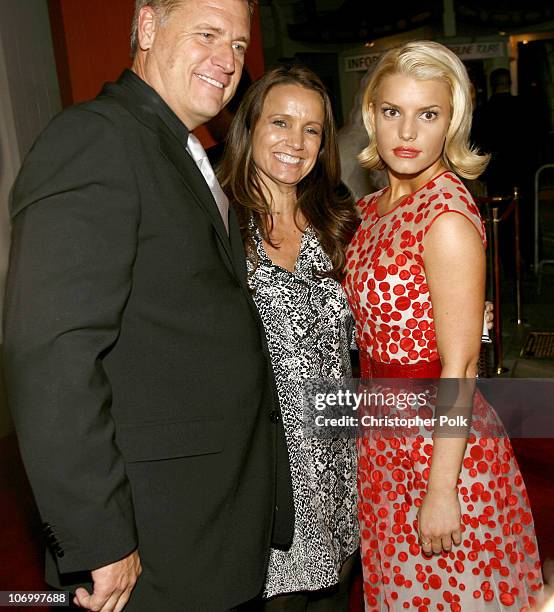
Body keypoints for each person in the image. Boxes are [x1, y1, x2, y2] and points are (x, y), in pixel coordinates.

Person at [2, 1, 294, 610]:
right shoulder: (95, 138)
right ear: (146, 26)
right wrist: (98, 538)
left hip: (204, 521)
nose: (227, 60)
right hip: (151, 537)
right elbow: (52, 355)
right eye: (208, 34)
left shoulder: (179, 148)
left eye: (239, 46)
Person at [342, 41, 543, 610]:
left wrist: (440, 489)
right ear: (370, 117)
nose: (407, 131)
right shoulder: (372, 208)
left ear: (450, 121)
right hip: (384, 437)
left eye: (427, 114)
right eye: (391, 112)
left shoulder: (446, 214)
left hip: (440, 448)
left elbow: (462, 363)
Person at [219, 65, 359, 610]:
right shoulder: (223, 224)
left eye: (312, 129)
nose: (295, 142)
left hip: (341, 455)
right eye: (280, 122)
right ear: (249, 127)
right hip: (270, 469)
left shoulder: (338, 218)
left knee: (336, 596)